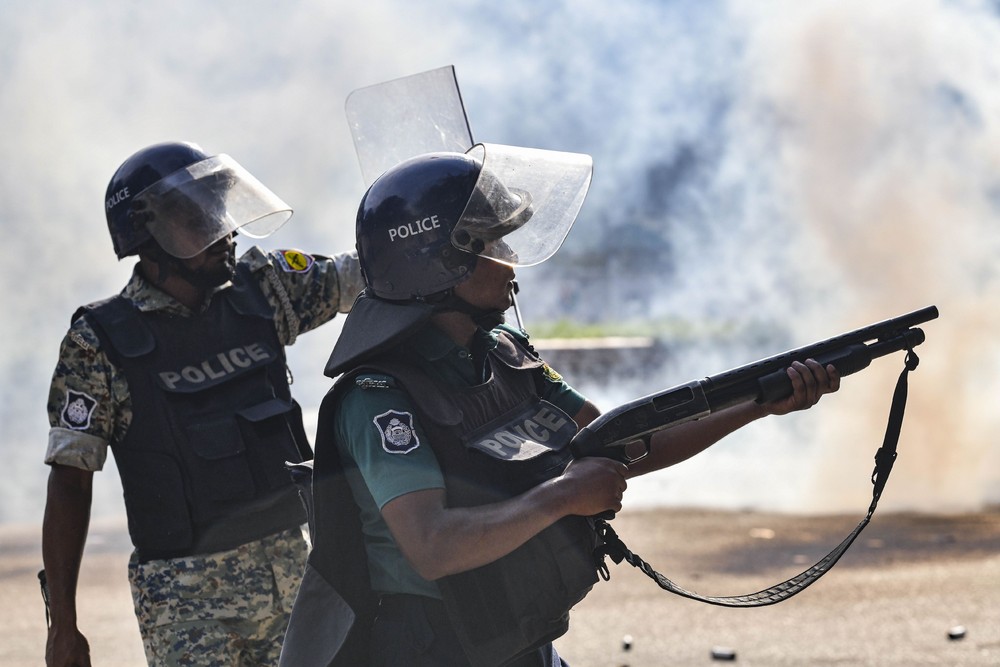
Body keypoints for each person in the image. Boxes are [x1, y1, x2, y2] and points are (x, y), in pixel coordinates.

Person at [289, 145, 839, 667]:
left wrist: (759, 402)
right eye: (494, 246)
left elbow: (621, 444)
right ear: (442, 268)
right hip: (434, 648)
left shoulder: (503, 355)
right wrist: (564, 495)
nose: (511, 262)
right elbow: (433, 546)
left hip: (511, 635)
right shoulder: (380, 398)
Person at [41, 141, 364, 667]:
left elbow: (365, 277)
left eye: (220, 209)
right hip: (185, 604)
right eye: (198, 217)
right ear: (148, 237)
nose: (223, 230)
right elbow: (70, 483)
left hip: (296, 578)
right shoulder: (98, 343)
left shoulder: (266, 287)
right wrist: (64, 626)